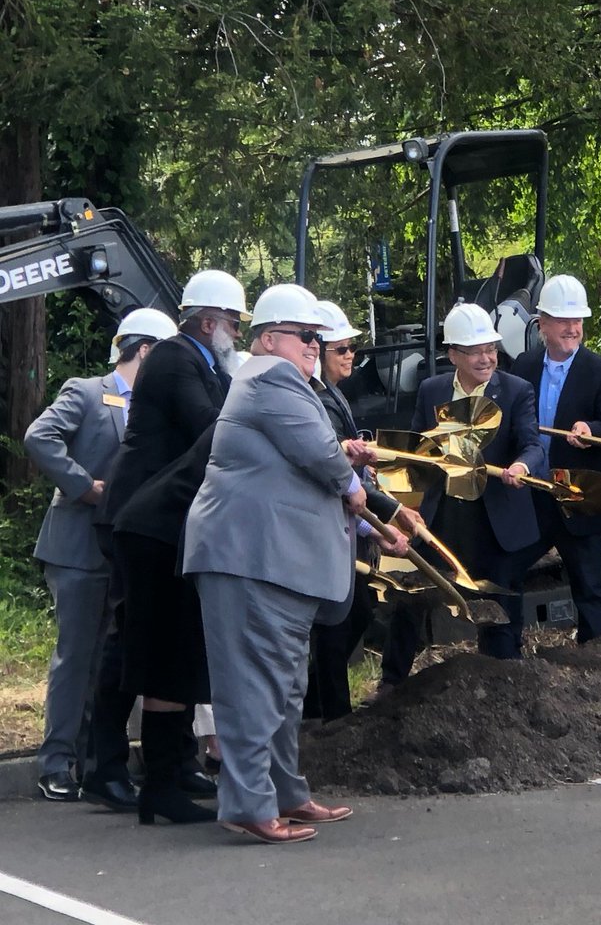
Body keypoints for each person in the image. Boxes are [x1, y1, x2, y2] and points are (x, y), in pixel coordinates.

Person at [183, 284, 406, 844]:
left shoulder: (278, 382)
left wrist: (344, 463)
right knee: (256, 684)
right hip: (252, 558)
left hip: (270, 561)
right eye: (305, 336)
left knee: (282, 685)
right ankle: (248, 804)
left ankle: (286, 793)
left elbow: (308, 449)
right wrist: (354, 486)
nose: (315, 344)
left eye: (318, 337)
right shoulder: (270, 376)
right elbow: (318, 455)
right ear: (266, 338)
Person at [103, 268, 250, 824]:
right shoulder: (175, 358)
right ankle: (150, 781)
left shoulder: (199, 361)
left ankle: (173, 769)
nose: (235, 333)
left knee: (177, 647)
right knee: (156, 648)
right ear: (208, 320)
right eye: (233, 322)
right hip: (151, 517)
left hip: (168, 519)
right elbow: (213, 427)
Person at [23, 308, 177, 804]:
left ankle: (98, 762)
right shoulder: (88, 391)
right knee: (77, 657)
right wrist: (83, 486)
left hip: (123, 553)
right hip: (78, 547)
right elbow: (38, 437)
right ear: (146, 350)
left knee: (111, 660)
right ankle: (56, 763)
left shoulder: (155, 407)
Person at [377, 302, 545, 693]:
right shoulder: (432, 390)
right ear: (452, 353)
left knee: (500, 605)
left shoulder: (517, 390)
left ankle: (505, 683)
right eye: (475, 351)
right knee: (411, 596)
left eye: (491, 349)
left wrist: (522, 466)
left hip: (496, 521)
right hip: (444, 517)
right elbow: (417, 452)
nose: (486, 358)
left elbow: (532, 443)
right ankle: (390, 684)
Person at [305, 301, 424, 722]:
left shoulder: (333, 394)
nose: (351, 355)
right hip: (337, 531)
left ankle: (317, 706)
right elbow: (337, 477)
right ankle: (331, 717)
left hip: (350, 528)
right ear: (318, 351)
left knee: (352, 617)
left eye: (352, 347)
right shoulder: (315, 399)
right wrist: (384, 523)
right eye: (341, 349)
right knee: (338, 626)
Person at [511, 274, 601, 640]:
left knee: (590, 588)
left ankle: (598, 665)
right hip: (535, 495)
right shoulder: (524, 367)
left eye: (577, 321)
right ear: (542, 323)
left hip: (581, 497)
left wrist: (593, 432)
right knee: (507, 572)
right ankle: (505, 658)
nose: (572, 328)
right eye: (564, 321)